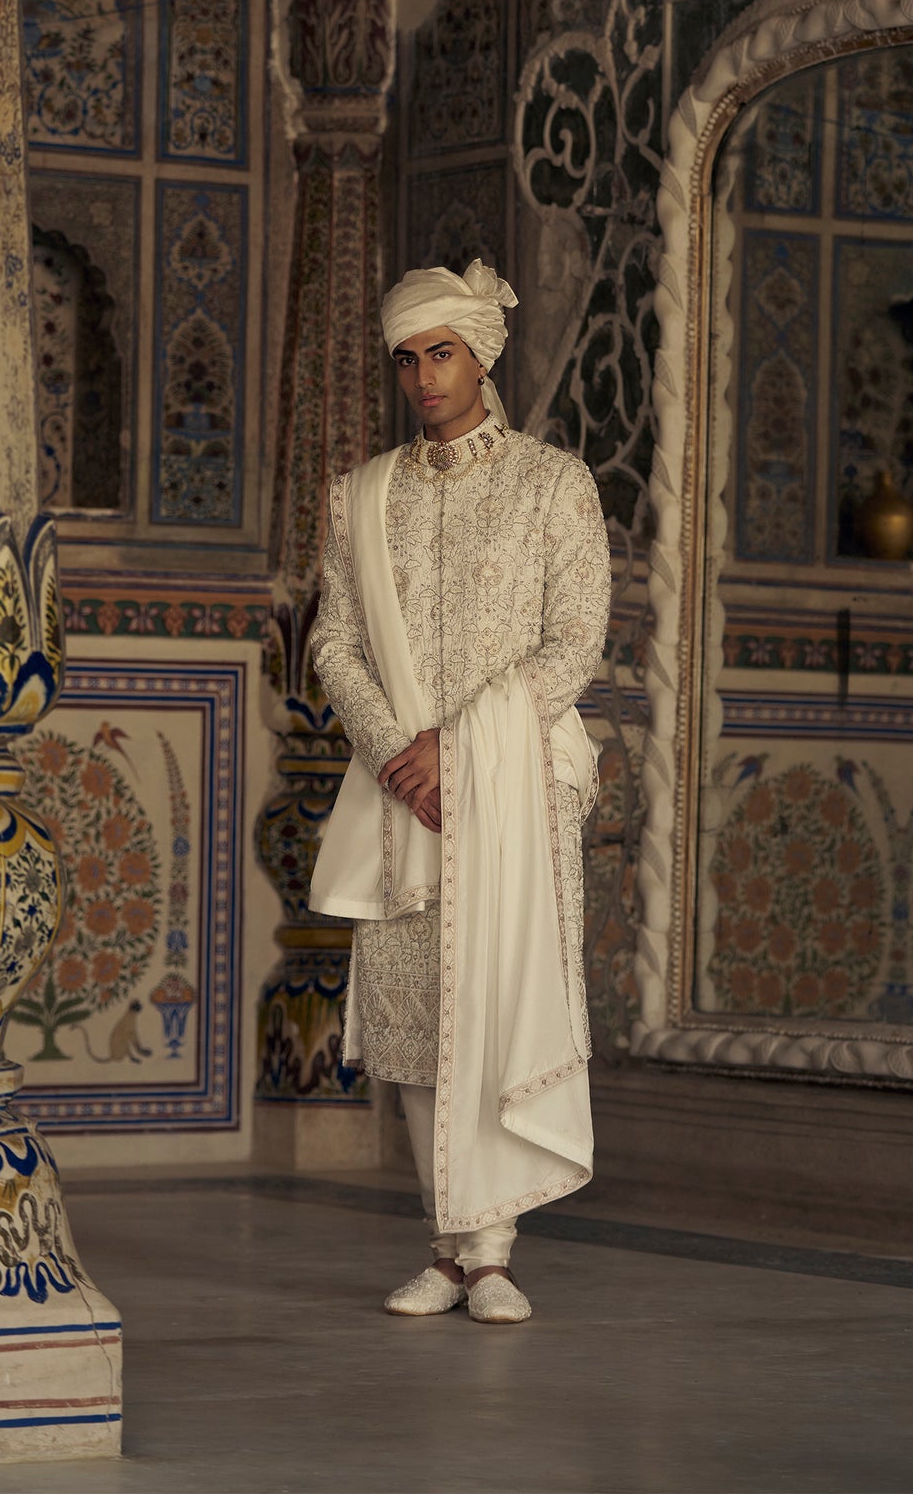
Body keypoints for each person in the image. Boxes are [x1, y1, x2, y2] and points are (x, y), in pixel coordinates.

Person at [308, 258, 611, 1324]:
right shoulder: (361, 497)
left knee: (500, 998)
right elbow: (334, 640)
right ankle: (447, 1246)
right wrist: (402, 752)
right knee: (418, 1016)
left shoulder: (553, 484)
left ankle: (493, 1251)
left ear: (480, 353)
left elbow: (576, 641)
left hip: (517, 784)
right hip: (403, 795)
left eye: (441, 353)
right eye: (406, 359)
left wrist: (459, 748)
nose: (424, 377)